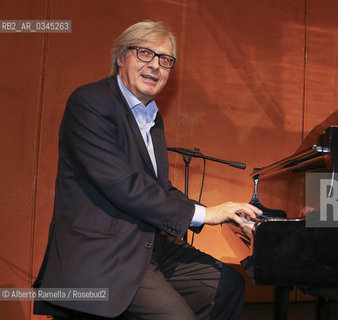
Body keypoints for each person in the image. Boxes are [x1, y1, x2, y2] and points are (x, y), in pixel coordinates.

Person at [33, 20, 261, 320]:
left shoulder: (151, 117)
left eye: (165, 60)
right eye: (145, 53)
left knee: (227, 286)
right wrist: (207, 215)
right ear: (120, 58)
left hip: (147, 244)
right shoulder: (90, 103)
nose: (155, 65)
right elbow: (124, 186)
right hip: (104, 253)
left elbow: (158, 187)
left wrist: (218, 211)